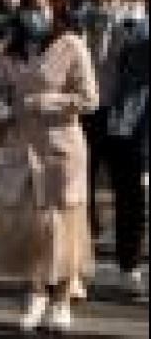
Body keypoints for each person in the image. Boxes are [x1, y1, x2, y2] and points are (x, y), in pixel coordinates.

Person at [0, 0, 99, 332]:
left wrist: (45, 102)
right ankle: (36, 292)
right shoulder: (13, 46)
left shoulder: (71, 44)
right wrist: (0, 107)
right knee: (29, 224)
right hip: (22, 146)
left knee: (62, 225)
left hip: (61, 149)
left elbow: (90, 99)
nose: (38, 6)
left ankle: (63, 297)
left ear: (58, 3)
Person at [77, 0, 138, 236]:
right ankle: (88, 237)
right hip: (86, 113)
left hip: (124, 115)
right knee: (81, 183)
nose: (103, 3)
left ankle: (129, 260)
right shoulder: (78, 24)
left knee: (127, 189)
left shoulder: (136, 27)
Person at [107, 33, 148, 297]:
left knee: (130, 203)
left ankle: (129, 266)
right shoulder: (136, 45)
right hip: (130, 134)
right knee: (130, 203)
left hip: (132, 133)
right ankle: (128, 266)